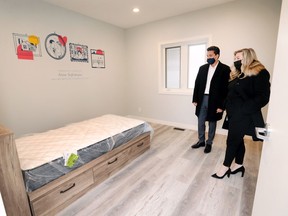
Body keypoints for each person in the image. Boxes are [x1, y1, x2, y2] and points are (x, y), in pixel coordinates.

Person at [212, 48, 271, 179]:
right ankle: (239, 164)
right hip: (232, 113)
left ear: (248, 57)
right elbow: (231, 93)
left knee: (232, 140)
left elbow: (263, 97)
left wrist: (244, 109)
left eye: (238, 58)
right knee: (238, 140)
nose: (236, 61)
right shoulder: (238, 74)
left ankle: (225, 167)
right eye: (235, 58)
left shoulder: (260, 72)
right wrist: (223, 106)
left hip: (244, 113)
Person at [191, 46, 230, 153]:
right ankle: (201, 141)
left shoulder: (225, 69)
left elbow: (226, 89)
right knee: (200, 120)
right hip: (202, 98)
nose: (208, 57)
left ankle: (209, 143)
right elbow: (197, 84)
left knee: (212, 122)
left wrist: (222, 106)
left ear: (217, 56)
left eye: (211, 55)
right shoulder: (202, 68)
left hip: (215, 100)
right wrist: (195, 98)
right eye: (207, 55)